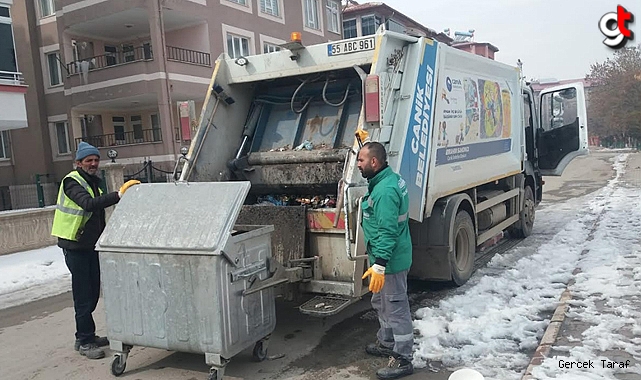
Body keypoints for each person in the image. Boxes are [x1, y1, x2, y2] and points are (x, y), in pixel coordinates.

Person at [51, 142, 140, 359]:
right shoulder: (72, 181)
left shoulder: (94, 182)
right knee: (83, 294)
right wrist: (118, 195)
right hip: (75, 245)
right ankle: (84, 340)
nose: (93, 163)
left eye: (95, 160)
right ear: (78, 163)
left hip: (91, 245)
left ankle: (87, 334)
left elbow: (98, 213)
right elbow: (89, 204)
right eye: (88, 160)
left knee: (92, 293)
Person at [358, 142, 414, 379]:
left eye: (361, 160)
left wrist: (379, 265)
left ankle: (403, 358)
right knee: (381, 302)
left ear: (374, 162)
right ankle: (387, 342)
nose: (358, 164)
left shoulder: (385, 192)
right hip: (383, 259)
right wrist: (365, 142)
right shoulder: (384, 179)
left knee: (396, 306)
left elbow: (388, 231)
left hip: (390, 261)